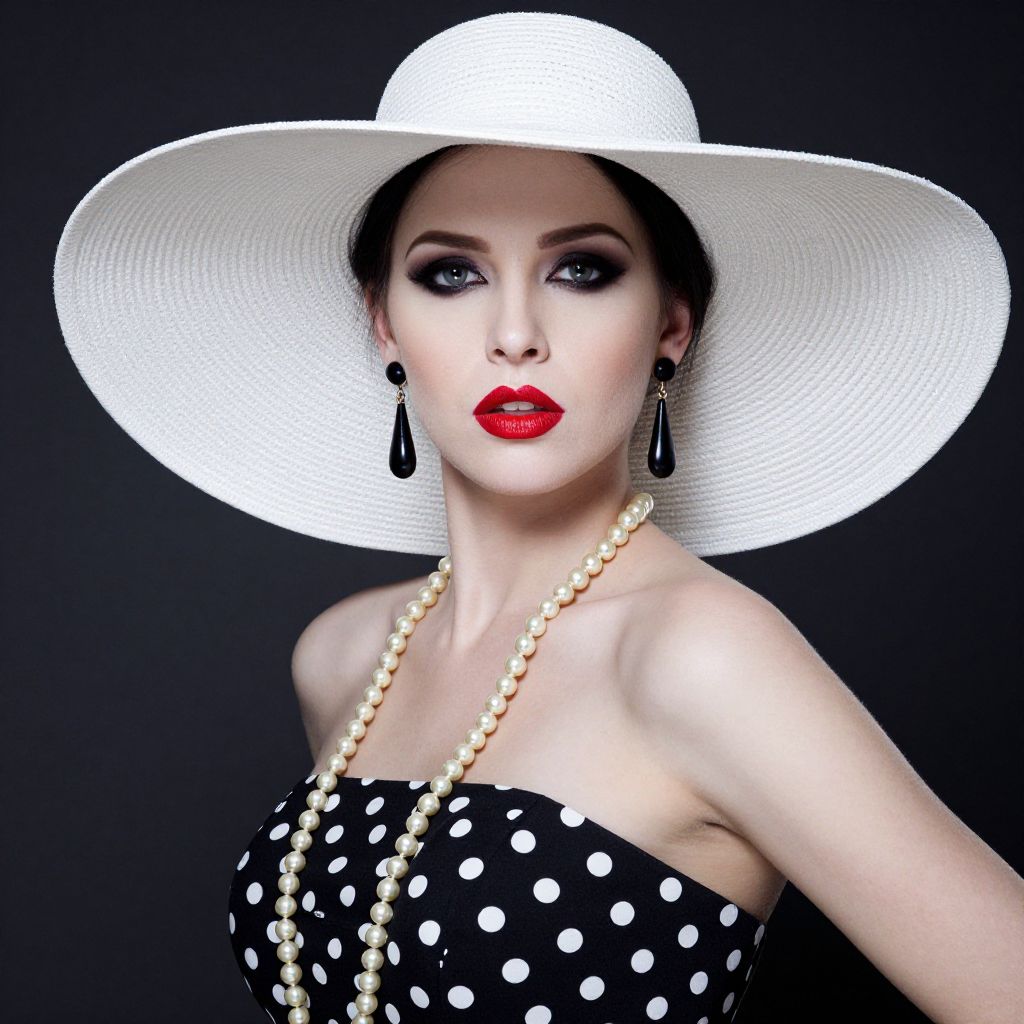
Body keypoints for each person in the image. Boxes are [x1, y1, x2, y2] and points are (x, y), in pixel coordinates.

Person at [52, 11, 1021, 1024]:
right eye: (450, 274)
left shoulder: (701, 655)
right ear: (383, 320)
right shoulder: (343, 654)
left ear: (670, 325)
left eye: (583, 269)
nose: (515, 334)